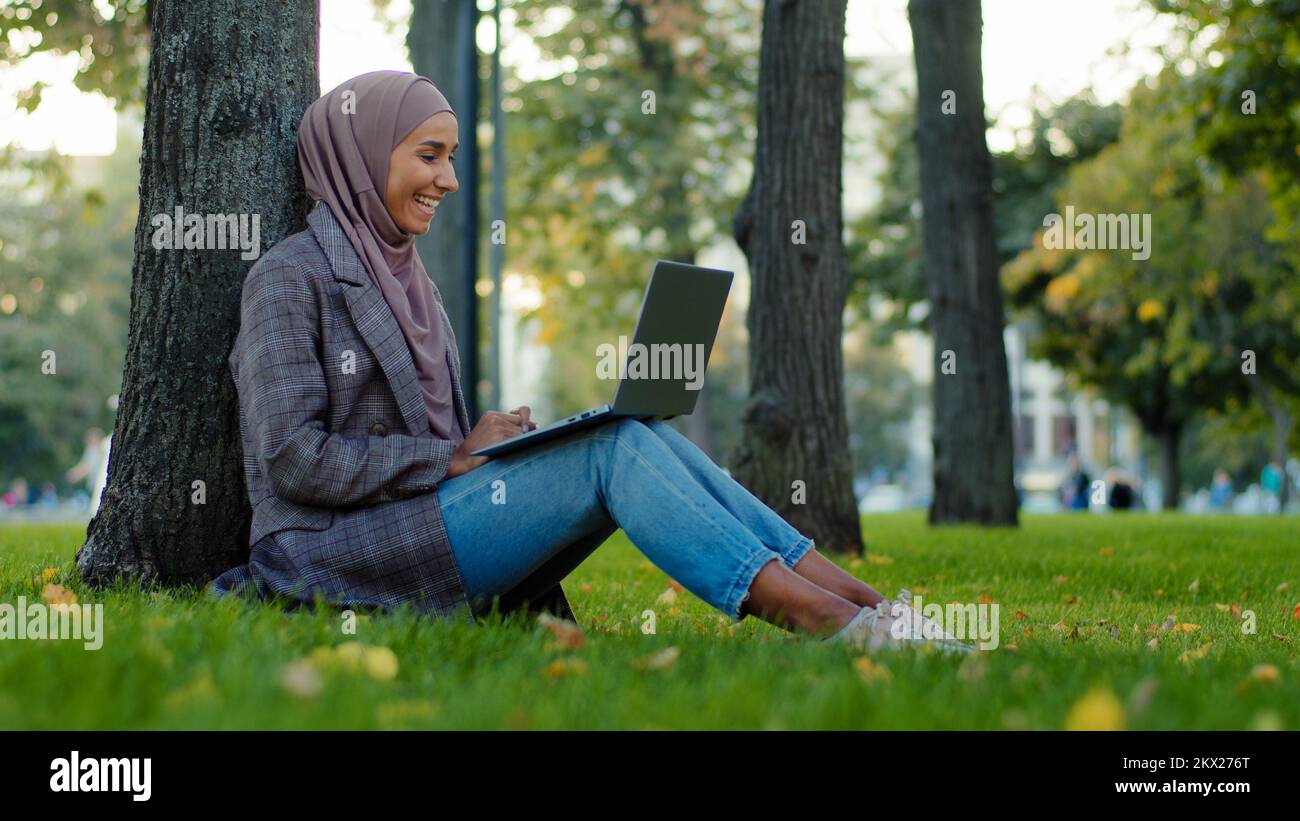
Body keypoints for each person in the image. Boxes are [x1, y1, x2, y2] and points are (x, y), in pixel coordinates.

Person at [209, 70, 970, 655]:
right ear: (363, 154)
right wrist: (449, 456)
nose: (448, 178)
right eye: (428, 156)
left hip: (420, 520)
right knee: (610, 447)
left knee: (640, 431)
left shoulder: (409, 279)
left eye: (451, 157)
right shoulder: (289, 275)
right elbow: (290, 458)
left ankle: (872, 608)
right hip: (333, 555)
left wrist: (491, 441)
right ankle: (825, 621)